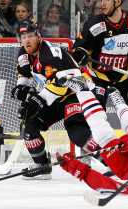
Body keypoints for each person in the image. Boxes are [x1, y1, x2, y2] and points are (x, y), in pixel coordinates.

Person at [12, 18, 105, 180]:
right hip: (58, 95)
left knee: (77, 133)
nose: (27, 40)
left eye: (30, 36)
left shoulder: (50, 55)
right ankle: (42, 166)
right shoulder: (23, 54)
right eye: (23, 37)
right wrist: (21, 87)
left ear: (39, 36)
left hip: (79, 91)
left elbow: (61, 85)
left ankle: (114, 163)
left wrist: (39, 99)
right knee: (29, 124)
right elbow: (25, 75)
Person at [72, 0, 128, 125]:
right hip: (99, 77)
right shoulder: (94, 24)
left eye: (107, 0)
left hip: (126, 76)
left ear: (118, 2)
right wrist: (80, 53)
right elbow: (79, 48)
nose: (102, 4)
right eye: (101, 0)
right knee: (96, 114)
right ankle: (100, 143)